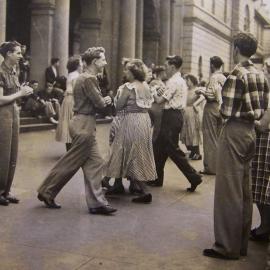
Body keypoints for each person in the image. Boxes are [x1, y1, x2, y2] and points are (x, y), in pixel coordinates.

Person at [203, 32, 270, 260]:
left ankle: (226, 246)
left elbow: (226, 111)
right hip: (251, 131)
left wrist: (219, 98)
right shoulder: (260, 74)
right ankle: (240, 244)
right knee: (244, 191)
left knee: (228, 191)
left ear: (235, 49)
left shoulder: (237, 74)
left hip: (235, 130)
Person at [37, 47, 117, 215]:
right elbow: (100, 104)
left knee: (95, 163)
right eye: (103, 59)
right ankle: (46, 191)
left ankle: (97, 203)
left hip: (82, 123)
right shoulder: (89, 79)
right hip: (84, 124)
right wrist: (108, 100)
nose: (105, 62)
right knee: (70, 163)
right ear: (95, 62)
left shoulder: (83, 77)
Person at [148, 55, 202, 191]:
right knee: (159, 148)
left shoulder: (173, 82)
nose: (165, 69)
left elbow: (160, 101)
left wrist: (153, 91)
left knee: (173, 150)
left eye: (166, 66)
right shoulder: (179, 80)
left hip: (171, 116)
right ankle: (156, 178)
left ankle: (194, 177)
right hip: (174, 116)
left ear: (172, 66)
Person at [105, 59, 156, 203]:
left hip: (131, 120)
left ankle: (143, 190)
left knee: (124, 151)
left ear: (133, 73)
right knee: (139, 152)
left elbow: (119, 107)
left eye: (127, 70)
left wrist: (115, 99)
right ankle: (120, 184)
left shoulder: (128, 87)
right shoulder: (146, 86)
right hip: (144, 120)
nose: (125, 72)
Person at [0, 41, 33, 206]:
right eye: (18, 53)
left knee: (13, 152)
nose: (21, 56)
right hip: (3, 113)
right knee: (3, 152)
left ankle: (6, 190)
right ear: (8, 54)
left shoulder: (14, 71)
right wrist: (20, 93)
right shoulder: (0, 71)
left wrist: (23, 91)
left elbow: (14, 92)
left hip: (14, 111)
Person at [199, 56, 226, 175]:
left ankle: (210, 167)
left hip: (211, 107)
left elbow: (210, 96)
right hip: (221, 109)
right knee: (218, 138)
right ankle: (218, 165)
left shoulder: (213, 77)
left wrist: (201, 91)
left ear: (212, 65)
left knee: (209, 138)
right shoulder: (224, 78)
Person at [250, 111, 270, 242]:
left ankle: (265, 227)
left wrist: (248, 120)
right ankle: (265, 226)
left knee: (261, 188)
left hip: (266, 142)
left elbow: (263, 125)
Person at [56, 56, 82, 151]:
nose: (82, 65)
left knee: (68, 124)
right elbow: (77, 91)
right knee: (73, 124)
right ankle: (73, 151)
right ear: (77, 65)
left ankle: (70, 149)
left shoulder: (70, 74)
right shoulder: (76, 76)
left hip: (68, 100)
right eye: (81, 63)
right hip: (73, 100)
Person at [181, 74, 203, 160]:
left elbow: (202, 96)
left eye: (188, 80)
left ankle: (196, 153)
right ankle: (191, 151)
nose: (186, 82)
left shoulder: (196, 90)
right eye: (186, 80)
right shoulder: (185, 90)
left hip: (193, 113)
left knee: (193, 132)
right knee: (186, 132)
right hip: (185, 112)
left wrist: (195, 104)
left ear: (193, 81)